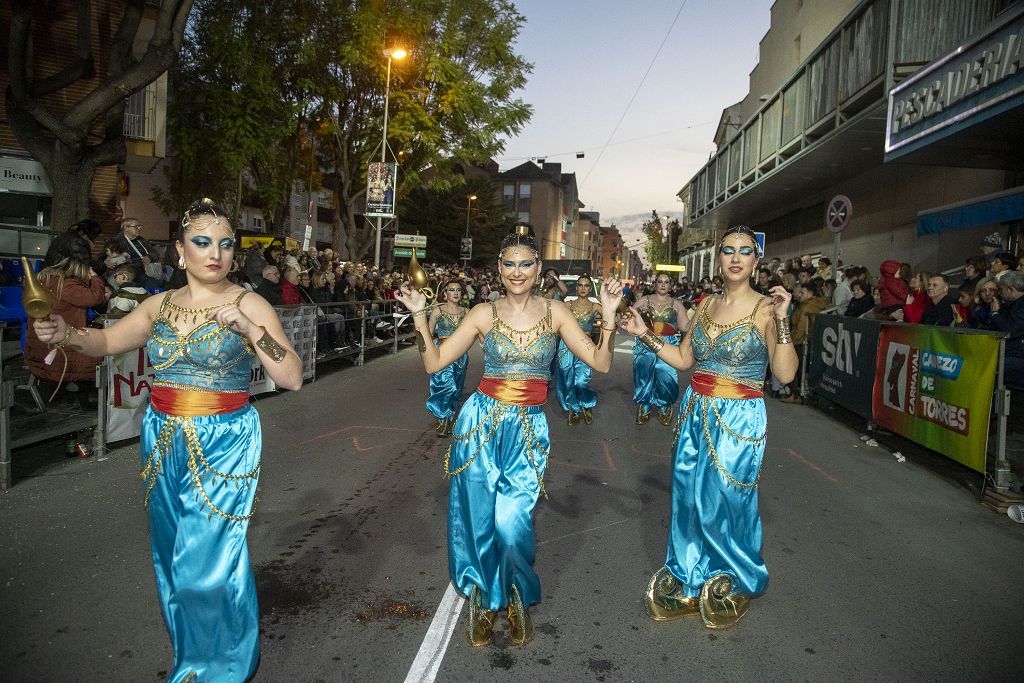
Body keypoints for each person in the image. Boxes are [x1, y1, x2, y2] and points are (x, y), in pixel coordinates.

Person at [32, 199, 302, 682]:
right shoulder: (157, 305)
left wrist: (253, 330)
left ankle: (226, 669)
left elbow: (292, 375)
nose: (214, 253)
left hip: (223, 441)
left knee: (206, 561)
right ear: (180, 251)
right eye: (202, 242)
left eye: (224, 244)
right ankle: (194, 661)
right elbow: (107, 342)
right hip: (161, 437)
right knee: (172, 558)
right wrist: (66, 334)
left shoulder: (248, 302)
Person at [394, 226, 623, 648]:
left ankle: (516, 595)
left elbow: (600, 363)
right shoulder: (482, 313)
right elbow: (436, 363)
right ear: (499, 269)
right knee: (480, 520)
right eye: (509, 264)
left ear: (539, 269)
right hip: (480, 424)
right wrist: (420, 319)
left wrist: (608, 317)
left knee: (512, 522)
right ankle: (485, 598)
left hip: (529, 429)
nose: (517, 271)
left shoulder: (557, 312)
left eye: (526, 264)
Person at [621, 224, 797, 630]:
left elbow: (785, 374)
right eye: (728, 250)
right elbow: (684, 361)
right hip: (695, 410)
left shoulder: (767, 309)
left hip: (739, 416)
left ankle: (735, 575)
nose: (736, 258)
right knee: (687, 498)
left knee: (725, 501)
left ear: (756, 260)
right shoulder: (702, 306)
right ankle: (690, 574)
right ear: (718, 258)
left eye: (745, 251)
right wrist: (644, 334)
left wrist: (784, 320)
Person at [25, 256, 107, 402]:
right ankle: (81, 391)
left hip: (39, 343)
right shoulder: (68, 285)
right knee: (98, 351)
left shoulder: (44, 281)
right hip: (57, 345)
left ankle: (70, 386)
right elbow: (95, 298)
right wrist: (95, 278)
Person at [631, 273, 690, 426]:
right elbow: (628, 318)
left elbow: (684, 327)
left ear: (671, 285)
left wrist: (700, 318)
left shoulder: (676, 304)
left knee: (666, 376)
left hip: (668, 344)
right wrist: (636, 313)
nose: (663, 285)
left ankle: (665, 406)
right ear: (654, 284)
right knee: (643, 375)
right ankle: (644, 406)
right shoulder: (645, 300)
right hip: (645, 343)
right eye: (660, 282)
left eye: (666, 282)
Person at [555, 274, 602, 426]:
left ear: (590, 289)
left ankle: (586, 402)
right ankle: (573, 409)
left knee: (581, 380)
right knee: (567, 380)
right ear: (576, 288)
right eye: (580, 285)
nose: (583, 288)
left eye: (586, 286)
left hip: (585, 346)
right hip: (566, 346)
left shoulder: (595, 307)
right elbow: (555, 321)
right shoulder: (567, 305)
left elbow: (611, 320)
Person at [426, 279, 470, 436]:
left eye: (458, 290)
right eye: (451, 290)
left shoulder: (466, 312)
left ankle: (449, 417)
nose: (456, 292)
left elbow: (474, 334)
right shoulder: (438, 310)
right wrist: (428, 353)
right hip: (442, 352)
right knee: (445, 385)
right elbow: (428, 333)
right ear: (445, 293)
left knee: (456, 389)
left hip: (460, 355)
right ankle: (443, 419)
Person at [989, 270, 1024, 388]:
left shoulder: (1021, 306)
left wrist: (994, 313)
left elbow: (1010, 330)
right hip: (1006, 353)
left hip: (1017, 356)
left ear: (1010, 290)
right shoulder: (1010, 305)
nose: (999, 293)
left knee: (987, 372)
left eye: (1001, 289)